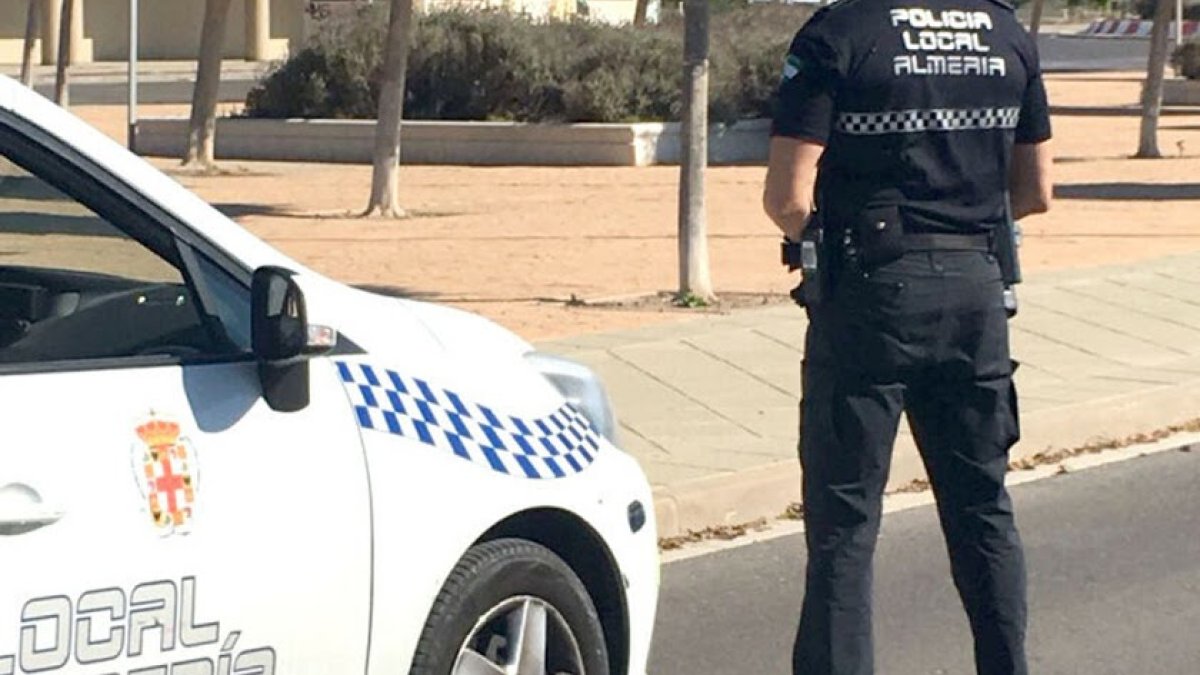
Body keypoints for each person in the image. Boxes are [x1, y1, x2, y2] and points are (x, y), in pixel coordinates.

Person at [761, 0, 1053, 674]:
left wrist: (823, 242)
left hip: (871, 295)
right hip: (976, 290)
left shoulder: (839, 33)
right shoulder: (1005, 32)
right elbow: (1036, 190)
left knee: (845, 526)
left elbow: (787, 195)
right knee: (982, 509)